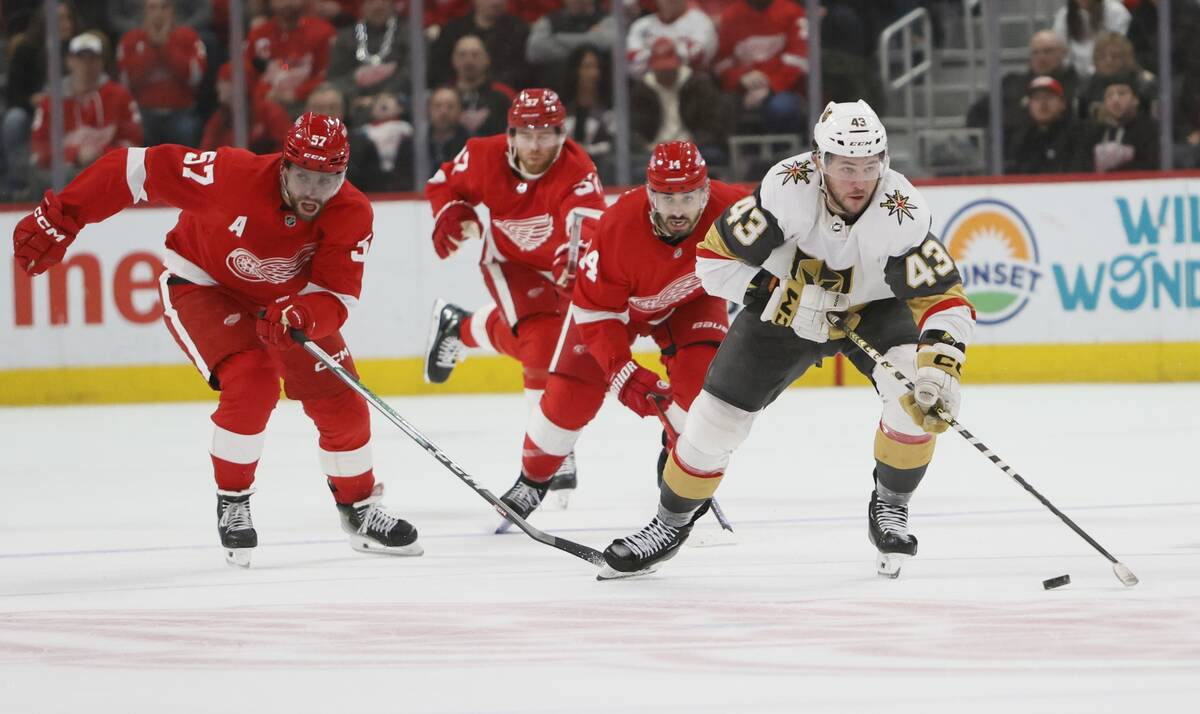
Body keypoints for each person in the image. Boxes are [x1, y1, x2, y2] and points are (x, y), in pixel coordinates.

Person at [11, 113, 422, 567]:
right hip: (203, 285)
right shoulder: (230, 175)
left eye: (326, 182)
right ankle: (234, 500)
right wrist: (62, 215)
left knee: (341, 398)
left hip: (284, 304)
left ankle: (359, 509)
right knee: (253, 378)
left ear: (343, 176)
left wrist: (300, 311)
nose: (312, 193)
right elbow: (133, 168)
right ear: (284, 166)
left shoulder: (352, 211)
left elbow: (336, 295)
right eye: (303, 177)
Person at [600, 100, 976, 580]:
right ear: (819, 162)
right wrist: (782, 299)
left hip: (875, 310)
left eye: (868, 166)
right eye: (844, 166)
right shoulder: (786, 188)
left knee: (912, 404)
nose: (858, 181)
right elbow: (714, 261)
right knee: (714, 421)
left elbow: (945, 299)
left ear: (885, 161)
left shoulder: (902, 211)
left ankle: (891, 505)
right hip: (782, 312)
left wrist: (939, 369)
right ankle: (668, 524)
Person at [496, 141, 748, 526]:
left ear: (706, 191)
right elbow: (595, 312)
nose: (677, 210)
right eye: (666, 198)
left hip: (690, 302)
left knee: (704, 395)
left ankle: (678, 469)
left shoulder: (735, 209)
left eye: (688, 197)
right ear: (650, 194)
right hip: (617, 312)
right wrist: (621, 371)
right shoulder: (617, 227)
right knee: (570, 397)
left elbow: (788, 225)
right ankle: (532, 479)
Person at [422, 88, 607, 501]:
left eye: (546, 135)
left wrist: (575, 260)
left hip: (560, 262)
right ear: (510, 135)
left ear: (563, 134)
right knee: (542, 342)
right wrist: (451, 212)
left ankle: (461, 326)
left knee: (542, 343)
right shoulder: (483, 154)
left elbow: (585, 225)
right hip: (510, 262)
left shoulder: (578, 171)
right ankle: (551, 450)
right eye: (527, 134)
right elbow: (443, 182)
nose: (536, 146)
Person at [30, 33, 144, 183]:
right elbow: (39, 151)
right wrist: (75, 154)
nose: (86, 64)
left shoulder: (120, 96)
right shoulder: (51, 100)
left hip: (108, 174)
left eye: (93, 59)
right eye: (80, 58)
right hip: (64, 178)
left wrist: (100, 154)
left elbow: (134, 143)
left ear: (102, 62)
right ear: (69, 61)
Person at [117, 0, 208, 147]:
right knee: (133, 137)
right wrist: (152, 46)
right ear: (145, 12)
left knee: (188, 131)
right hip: (143, 113)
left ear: (172, 10)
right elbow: (128, 83)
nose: (158, 13)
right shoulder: (130, 40)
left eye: (164, 7)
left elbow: (193, 78)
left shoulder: (188, 37)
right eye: (152, 8)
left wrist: (165, 46)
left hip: (180, 112)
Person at [713, 0, 809, 134]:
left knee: (781, 107)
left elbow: (799, 60)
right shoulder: (731, 15)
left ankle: (781, 153)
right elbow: (721, 64)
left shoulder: (793, 12)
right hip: (743, 91)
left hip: (786, 91)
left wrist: (770, 87)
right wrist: (740, 76)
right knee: (719, 107)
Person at [245, 0, 337, 118]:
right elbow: (250, 75)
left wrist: (296, 94)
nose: (286, 3)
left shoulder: (323, 32)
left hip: (308, 103)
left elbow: (327, 73)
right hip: (265, 106)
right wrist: (266, 92)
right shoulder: (258, 34)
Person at [327, 0, 411, 128]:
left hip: (398, 99)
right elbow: (336, 77)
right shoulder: (346, 37)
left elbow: (412, 72)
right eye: (371, 1)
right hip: (355, 103)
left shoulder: (409, 34)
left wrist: (382, 96)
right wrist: (356, 95)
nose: (378, 5)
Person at [1071, 74, 1160, 172]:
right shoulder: (1092, 132)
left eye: (1122, 94)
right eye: (1109, 95)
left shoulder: (1149, 129)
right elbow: (1079, 166)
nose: (1115, 100)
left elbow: (1150, 166)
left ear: (1135, 100)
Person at [626, 0, 718, 78]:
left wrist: (652, 53)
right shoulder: (641, 25)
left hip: (690, 84)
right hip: (651, 86)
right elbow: (632, 62)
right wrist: (676, 48)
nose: (669, 2)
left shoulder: (700, 21)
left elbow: (697, 59)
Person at [1006, 76, 1077, 175]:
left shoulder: (1076, 136)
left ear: (1062, 103)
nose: (1043, 103)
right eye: (1037, 98)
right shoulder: (1020, 139)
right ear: (1029, 105)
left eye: (1049, 97)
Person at [1052, 0, 1131, 78]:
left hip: (1109, 71)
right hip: (1075, 76)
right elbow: (1061, 50)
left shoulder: (1115, 11)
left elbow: (1119, 47)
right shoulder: (1064, 15)